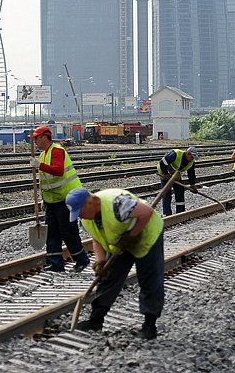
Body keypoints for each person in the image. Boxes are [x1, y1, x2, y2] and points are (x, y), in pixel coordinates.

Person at [66, 187, 164, 340]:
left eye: (80, 212)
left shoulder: (117, 203)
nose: (79, 217)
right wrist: (101, 262)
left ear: (89, 202)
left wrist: (132, 235)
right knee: (108, 277)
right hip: (121, 242)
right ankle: (96, 320)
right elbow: (97, 239)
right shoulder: (87, 220)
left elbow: (146, 212)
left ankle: (149, 326)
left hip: (146, 234)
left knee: (148, 278)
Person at [30, 126, 91, 273]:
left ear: (45, 137)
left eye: (36, 138)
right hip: (52, 200)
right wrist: (43, 199)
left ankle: (81, 260)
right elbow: (47, 180)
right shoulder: (44, 154)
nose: (34, 142)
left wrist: (40, 166)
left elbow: (58, 171)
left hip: (66, 199)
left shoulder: (57, 151)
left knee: (68, 231)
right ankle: (56, 264)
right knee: (52, 232)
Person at [155, 147, 198, 215]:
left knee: (180, 191)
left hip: (175, 174)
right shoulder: (175, 154)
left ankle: (180, 212)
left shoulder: (191, 162)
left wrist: (192, 184)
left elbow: (191, 173)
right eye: (192, 157)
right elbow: (162, 163)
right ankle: (167, 213)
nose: (192, 159)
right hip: (164, 173)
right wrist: (166, 174)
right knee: (166, 193)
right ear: (187, 154)